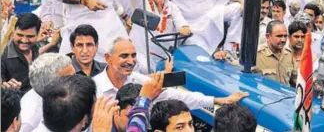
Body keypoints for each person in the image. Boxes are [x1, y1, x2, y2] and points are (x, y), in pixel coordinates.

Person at [93, 37, 248, 109]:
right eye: (124, 56)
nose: (131, 61)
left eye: (133, 56)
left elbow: (176, 96)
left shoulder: (139, 80)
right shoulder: (94, 88)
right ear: (108, 58)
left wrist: (218, 100)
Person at [129, 0, 191, 73]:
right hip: (142, 56)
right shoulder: (142, 3)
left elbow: (181, 22)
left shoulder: (172, 7)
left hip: (165, 57)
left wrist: (184, 28)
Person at [19, 53, 75, 132]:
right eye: (69, 79)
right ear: (50, 85)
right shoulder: (29, 120)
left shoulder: (43, 93)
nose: (77, 81)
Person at [1, 13, 41, 93]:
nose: (24, 40)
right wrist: (5, 88)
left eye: (30, 36)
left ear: (38, 33)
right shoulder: (3, 56)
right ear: (13, 31)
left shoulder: (39, 47)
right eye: (19, 35)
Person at [255, 21, 294, 85]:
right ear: (268, 36)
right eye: (279, 36)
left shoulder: (289, 54)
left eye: (285, 36)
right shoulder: (257, 55)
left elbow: (293, 80)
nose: (283, 40)